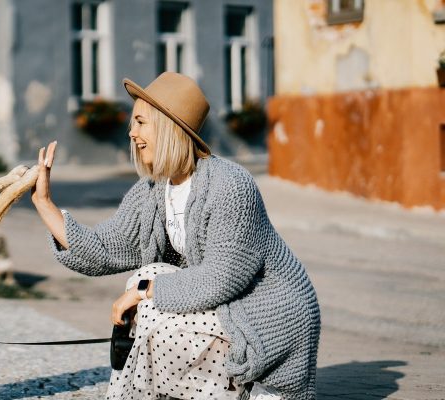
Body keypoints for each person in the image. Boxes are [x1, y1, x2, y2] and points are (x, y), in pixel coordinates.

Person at [30, 72, 320, 400]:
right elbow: (104, 249)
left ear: (169, 126)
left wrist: (143, 293)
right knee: (146, 282)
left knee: (149, 300)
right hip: (221, 310)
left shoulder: (230, 185)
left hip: (265, 315)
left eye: (140, 122)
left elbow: (219, 279)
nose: (131, 132)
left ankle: (252, 388)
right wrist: (44, 203)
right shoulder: (153, 190)